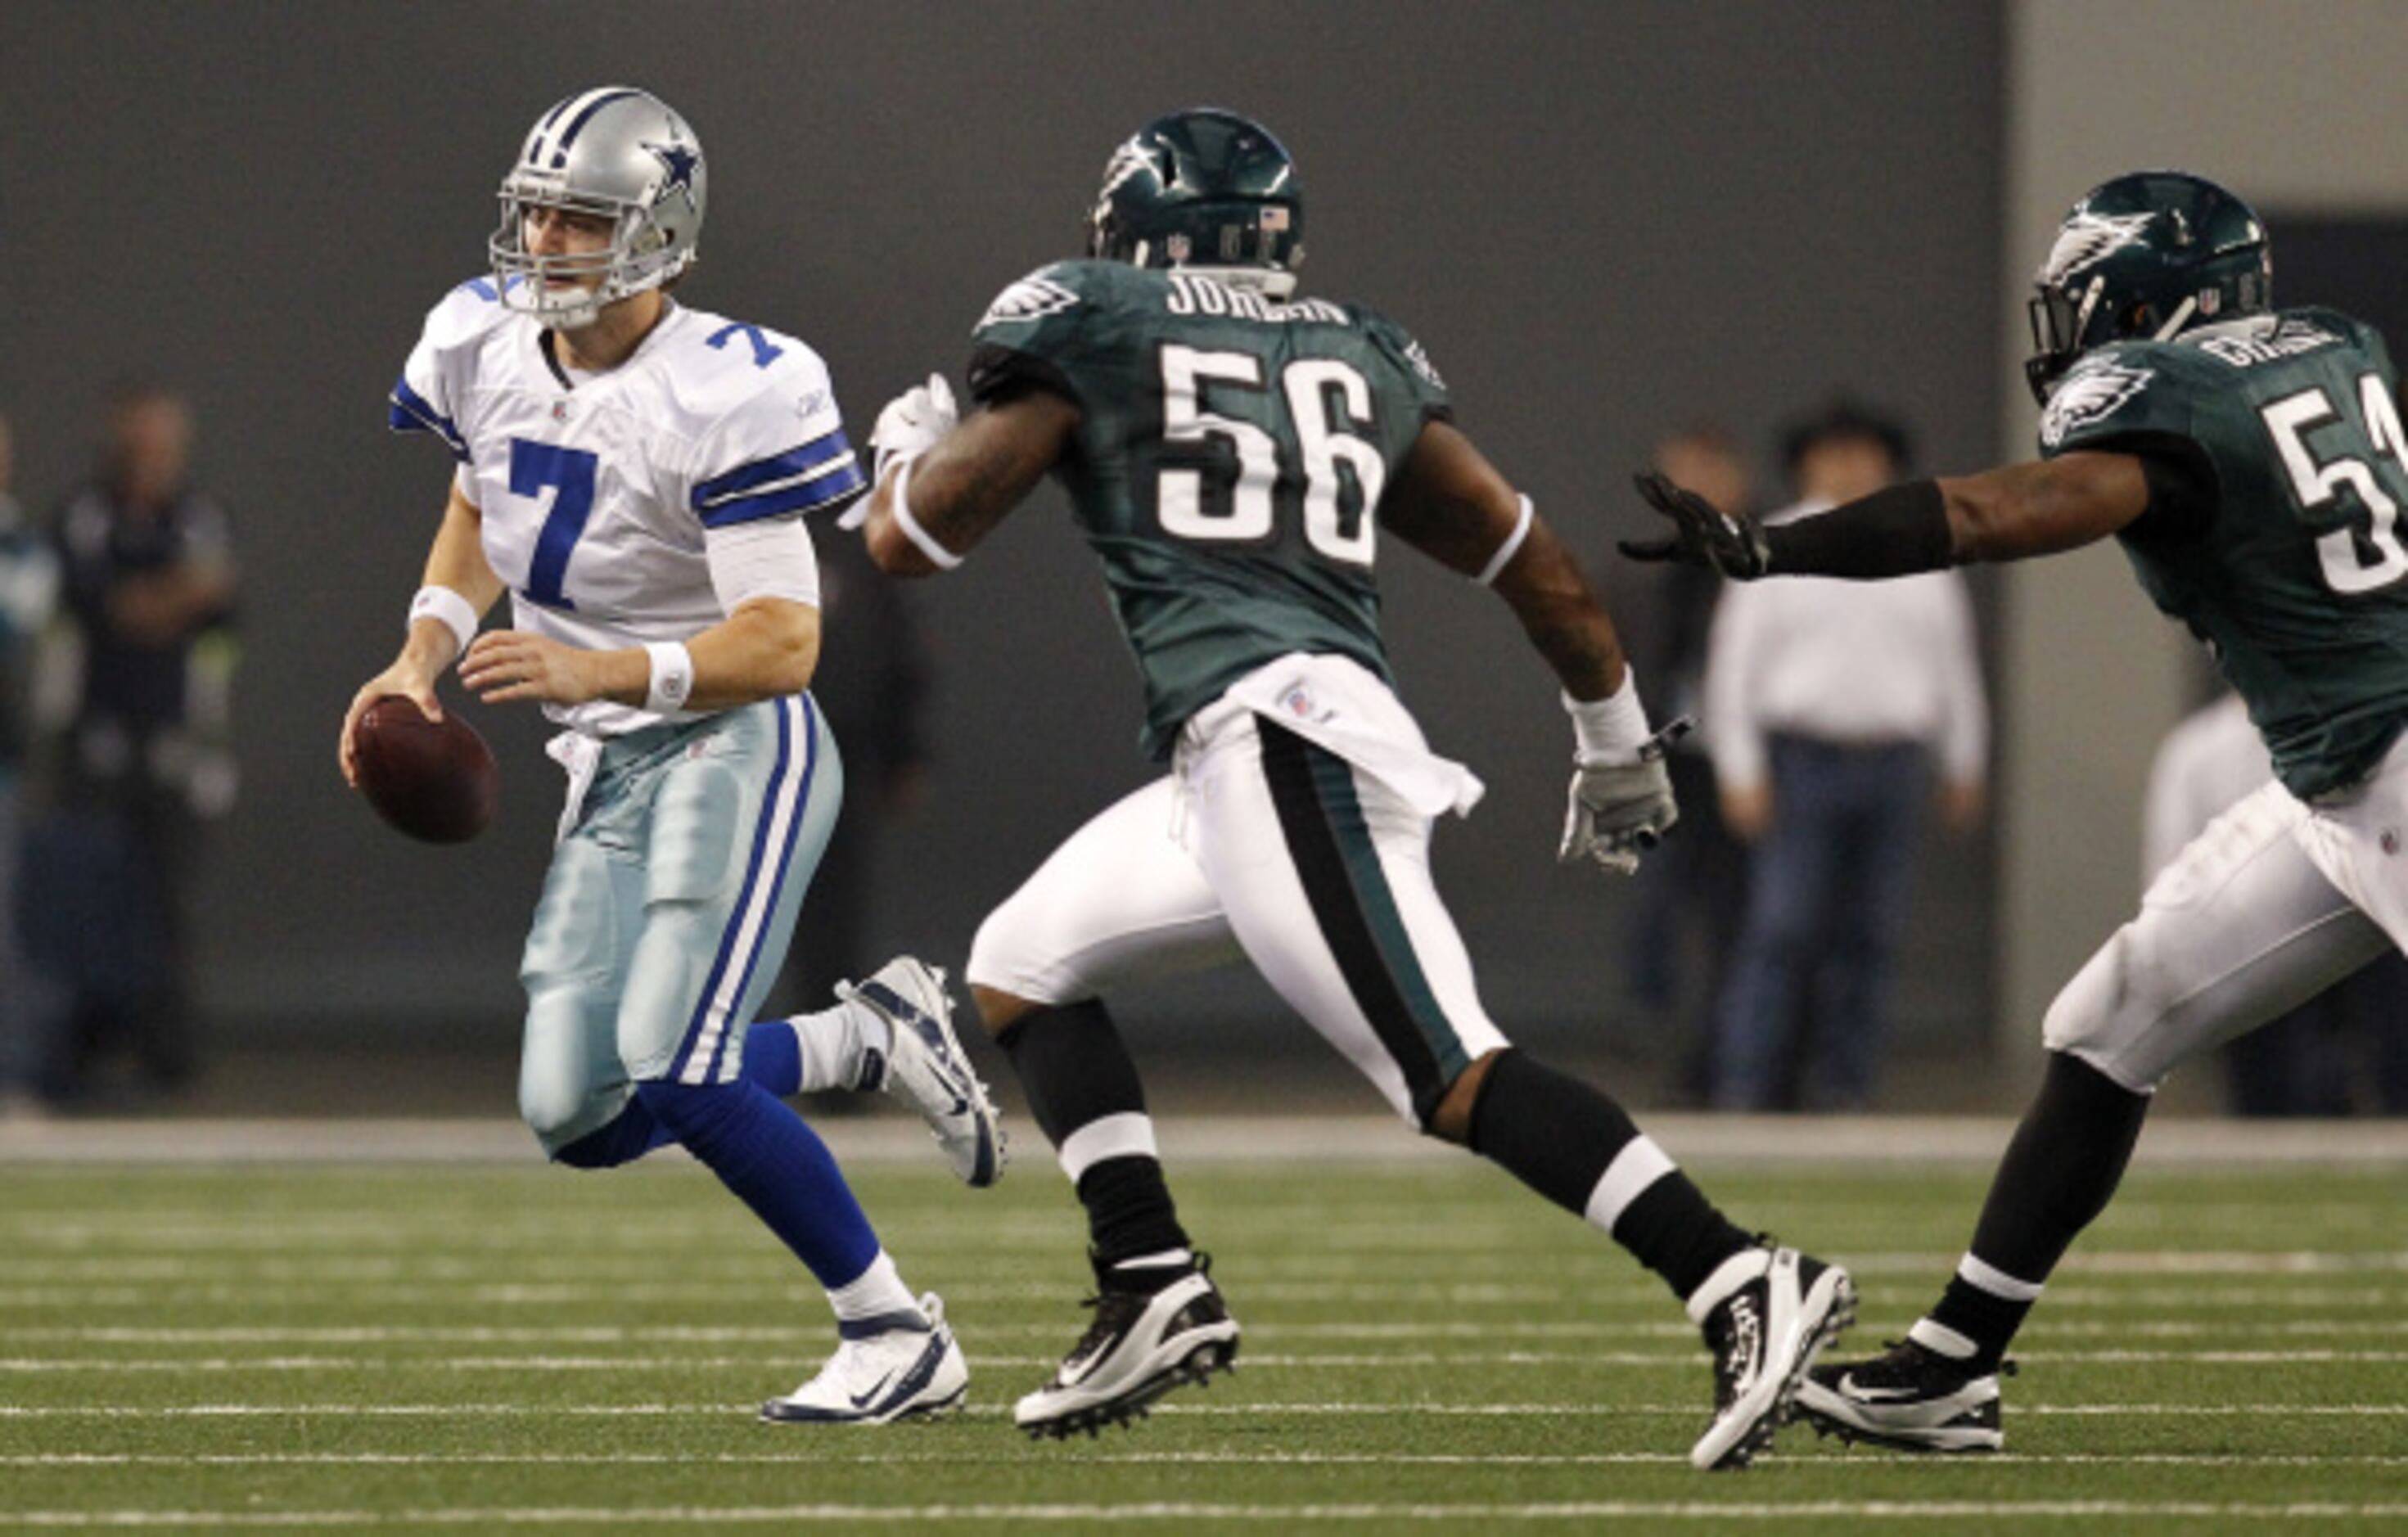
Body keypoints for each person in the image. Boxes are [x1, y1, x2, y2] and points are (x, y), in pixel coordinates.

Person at [846, 107, 1854, 1468]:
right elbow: (1530, 558)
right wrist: (1614, 736)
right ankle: (1151, 1278)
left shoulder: (1091, 323)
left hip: (1286, 742)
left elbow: (909, 538)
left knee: (1445, 1071)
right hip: (1246, 750)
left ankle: (1735, 1272)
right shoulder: (1353, 349)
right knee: (1021, 963)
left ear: (1128, 236)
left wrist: (910, 452)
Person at [1623, 169, 2408, 1451]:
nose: (2072, 332)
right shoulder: (2331, 345)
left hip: (2384, 765)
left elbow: (2005, 511)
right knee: (2106, 1021)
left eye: (2091, 300)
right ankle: (1947, 1367)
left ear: (2157, 297)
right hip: (2337, 781)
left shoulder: (2174, 395)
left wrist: (1782, 546)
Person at [340, 86, 1000, 1426]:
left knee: (677, 1060)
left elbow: (782, 643)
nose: (546, 238)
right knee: (575, 1111)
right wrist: (420, 652)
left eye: (580, 217)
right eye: (535, 208)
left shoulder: (732, 386)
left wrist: (595, 666)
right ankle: (860, 1039)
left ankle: (893, 1332)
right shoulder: (483, 339)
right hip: (611, 765)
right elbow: (482, 491)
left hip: (733, 744)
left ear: (661, 236)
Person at [1700, 402, 1986, 1111]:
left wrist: (1964, 761)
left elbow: (1954, 667)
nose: (1852, 467)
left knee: (1872, 938)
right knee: (1782, 931)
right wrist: (1739, 769)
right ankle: (1746, 1086)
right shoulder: (1774, 545)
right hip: (1803, 764)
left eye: (1864, 453)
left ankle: (1845, 1091)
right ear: (1809, 463)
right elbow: (1731, 671)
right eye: (1837, 453)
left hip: (1893, 765)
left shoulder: (1923, 552)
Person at [37, 384, 238, 1098]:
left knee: (171, 903)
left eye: (163, 442)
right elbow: (108, 606)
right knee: (89, 898)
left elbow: (221, 601)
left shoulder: (198, 517)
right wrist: (173, 597)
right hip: (98, 743)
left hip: (177, 745)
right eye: (140, 441)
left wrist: (161, 601)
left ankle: (168, 1050)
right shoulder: (88, 516)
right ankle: (84, 1048)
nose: (152, 456)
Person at [2144, 691, 2408, 1116]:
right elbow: (2171, 871)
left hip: (2364, 929)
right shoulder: (2197, 750)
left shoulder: (2367, 725)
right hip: (2250, 941)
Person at [1621, 429, 1754, 1102]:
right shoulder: (1641, 570)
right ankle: (1675, 1048)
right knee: (1656, 918)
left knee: (1737, 920)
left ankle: (1722, 1062)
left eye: (1704, 471)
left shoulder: (1763, 556)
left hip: (1739, 768)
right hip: (1665, 765)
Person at [0, 414, 61, 1116]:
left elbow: (19, 617)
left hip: (0, 760)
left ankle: (11, 1077)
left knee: (3, 931)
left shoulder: (21, 545)